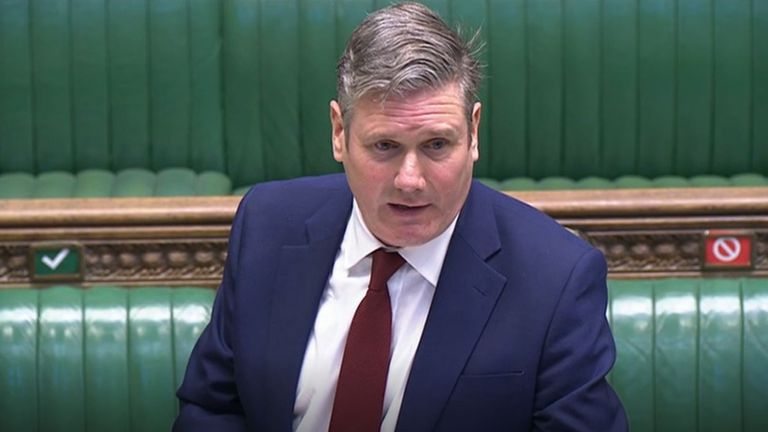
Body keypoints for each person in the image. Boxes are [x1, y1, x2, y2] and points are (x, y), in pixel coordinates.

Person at [174, 2, 627, 431]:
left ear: (473, 133)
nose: (410, 180)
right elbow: (212, 408)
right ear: (339, 133)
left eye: (436, 145)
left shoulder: (556, 278)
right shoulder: (268, 225)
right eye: (385, 146)